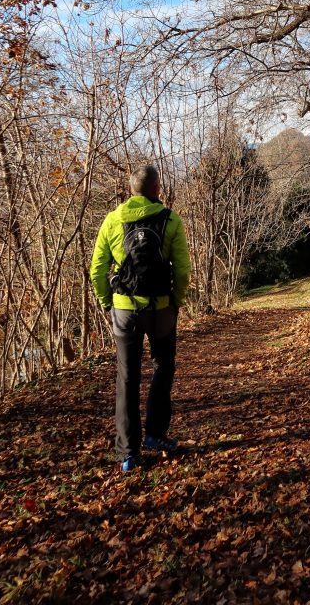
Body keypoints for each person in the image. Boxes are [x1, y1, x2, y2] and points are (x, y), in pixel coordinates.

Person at [90, 164, 191, 472]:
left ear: (131, 189)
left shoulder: (113, 219)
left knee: (127, 377)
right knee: (163, 366)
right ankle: (156, 435)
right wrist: (175, 302)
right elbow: (182, 270)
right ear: (157, 189)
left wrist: (109, 302)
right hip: (161, 308)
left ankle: (128, 453)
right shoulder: (171, 219)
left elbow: (97, 270)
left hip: (124, 309)